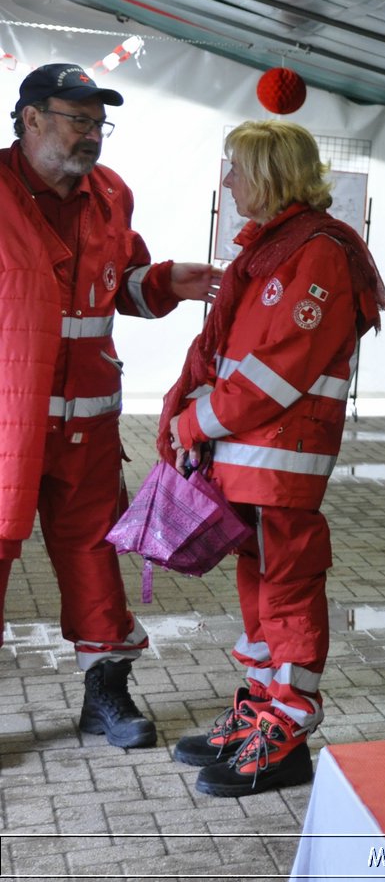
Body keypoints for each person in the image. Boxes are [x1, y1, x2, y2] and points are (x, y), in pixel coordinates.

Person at [161, 120, 385, 796]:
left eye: (237, 168)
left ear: (272, 174)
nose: (228, 183)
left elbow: (278, 371)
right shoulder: (273, 251)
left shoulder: (316, 252)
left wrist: (197, 417)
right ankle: (263, 708)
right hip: (250, 460)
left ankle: (287, 730)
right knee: (260, 590)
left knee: (287, 591)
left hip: (281, 460)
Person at [0, 63, 219, 750]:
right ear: (31, 118)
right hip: (6, 421)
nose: (93, 134)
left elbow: (125, 285)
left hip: (89, 424)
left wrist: (168, 283)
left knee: (95, 556)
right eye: (78, 119)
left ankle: (106, 696)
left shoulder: (111, 195)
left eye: (99, 122)